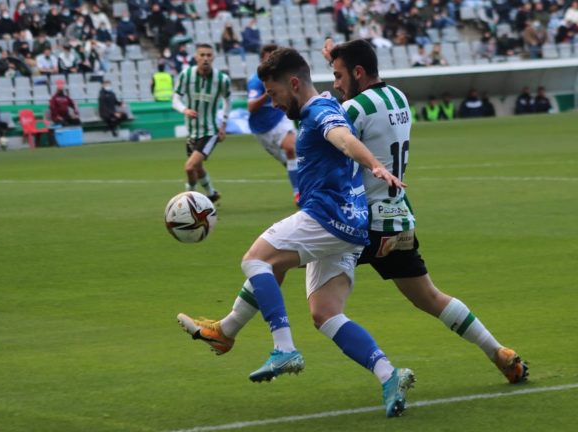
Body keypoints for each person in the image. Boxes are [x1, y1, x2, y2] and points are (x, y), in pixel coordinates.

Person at [177, 47, 415, 418]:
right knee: (326, 314)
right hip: (352, 224)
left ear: (292, 83)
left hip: (328, 215)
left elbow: (342, 137)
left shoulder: (319, 111)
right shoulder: (324, 103)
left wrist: (374, 165)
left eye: (273, 94)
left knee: (256, 260)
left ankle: (283, 347)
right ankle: (389, 375)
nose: (272, 103)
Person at [171, 43, 231, 200]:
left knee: (190, 167)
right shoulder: (186, 75)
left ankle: (189, 198)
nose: (205, 58)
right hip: (192, 131)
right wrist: (185, 110)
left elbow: (228, 100)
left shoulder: (222, 79)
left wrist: (223, 124)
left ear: (213, 57)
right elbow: (175, 100)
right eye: (202, 55)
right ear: (196, 57)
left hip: (210, 131)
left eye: (208, 55)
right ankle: (211, 193)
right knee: (197, 167)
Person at [245, 44, 300, 205]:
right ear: (262, 60)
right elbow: (251, 107)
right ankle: (302, 184)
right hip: (261, 129)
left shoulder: (283, 76)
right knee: (289, 161)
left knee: (291, 149)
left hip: (281, 118)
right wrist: (268, 93)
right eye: (268, 59)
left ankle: (298, 193)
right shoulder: (256, 81)